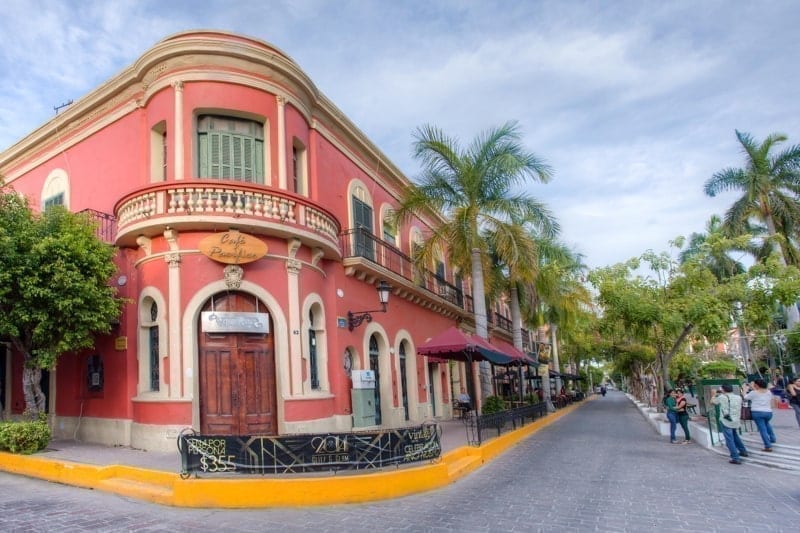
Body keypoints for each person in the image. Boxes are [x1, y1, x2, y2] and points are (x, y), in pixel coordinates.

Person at [711, 384, 749, 464]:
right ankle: (743, 451)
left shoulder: (722, 397)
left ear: (723, 390)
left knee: (729, 440)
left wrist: (714, 395)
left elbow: (713, 402)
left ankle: (735, 457)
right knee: (735, 436)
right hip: (736, 421)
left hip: (726, 421)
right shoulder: (738, 397)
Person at [743, 378, 776, 451]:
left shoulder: (754, 393)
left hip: (757, 413)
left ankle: (768, 446)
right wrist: (753, 387)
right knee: (767, 424)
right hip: (768, 412)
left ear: (757, 385)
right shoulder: (768, 392)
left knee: (762, 429)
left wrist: (745, 390)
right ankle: (773, 438)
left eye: (755, 384)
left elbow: (745, 397)